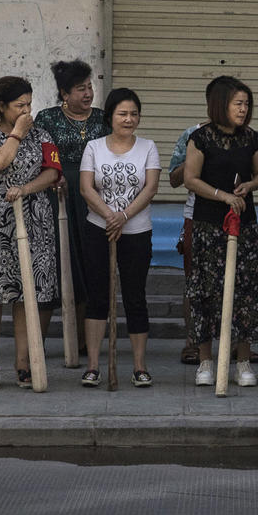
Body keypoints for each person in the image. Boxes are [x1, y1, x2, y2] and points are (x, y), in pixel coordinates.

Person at [0, 76, 62, 390]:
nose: (26, 110)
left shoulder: (44, 135)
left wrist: (26, 189)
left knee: (28, 293)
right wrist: (16, 134)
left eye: (29, 103)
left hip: (35, 220)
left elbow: (53, 171)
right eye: (18, 105)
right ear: (1, 107)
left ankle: (24, 362)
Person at [183, 76, 258, 387]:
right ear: (221, 105)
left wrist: (250, 185)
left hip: (244, 226)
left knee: (245, 294)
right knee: (207, 294)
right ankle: (206, 362)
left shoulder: (249, 138)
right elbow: (190, 179)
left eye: (247, 104)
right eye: (238, 103)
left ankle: (243, 362)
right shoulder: (201, 138)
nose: (244, 109)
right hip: (209, 226)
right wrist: (223, 195)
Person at [78, 88, 161, 388]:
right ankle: (92, 366)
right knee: (98, 296)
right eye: (122, 114)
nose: (129, 119)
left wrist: (123, 217)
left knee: (135, 297)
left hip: (137, 231)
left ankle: (140, 366)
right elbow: (87, 188)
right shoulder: (94, 147)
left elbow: (150, 188)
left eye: (134, 114)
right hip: (98, 229)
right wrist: (109, 217)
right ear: (110, 116)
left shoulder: (148, 147)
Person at [34, 60, 110, 343]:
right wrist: (54, 177)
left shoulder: (103, 118)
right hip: (57, 198)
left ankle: (83, 341)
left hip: (93, 198)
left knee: (88, 264)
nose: (88, 93)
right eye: (81, 89)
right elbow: (41, 154)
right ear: (65, 94)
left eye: (90, 87)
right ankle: (35, 344)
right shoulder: (47, 118)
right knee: (55, 262)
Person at [169, 76, 229, 367]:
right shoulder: (192, 134)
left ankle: (238, 344)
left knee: (238, 281)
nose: (238, 108)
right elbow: (174, 180)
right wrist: (196, 153)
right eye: (231, 102)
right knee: (196, 282)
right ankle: (193, 342)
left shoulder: (245, 135)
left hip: (232, 217)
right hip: (197, 217)